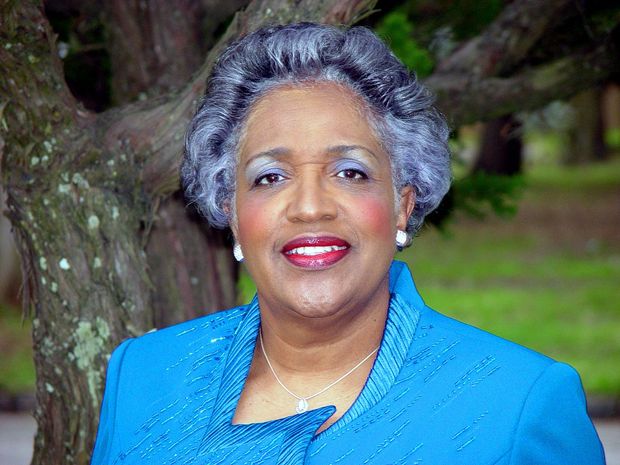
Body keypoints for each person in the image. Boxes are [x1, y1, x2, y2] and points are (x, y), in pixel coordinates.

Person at [91, 23, 605, 464]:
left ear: (404, 203)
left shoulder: (519, 404)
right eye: (270, 177)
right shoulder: (142, 377)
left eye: (351, 172)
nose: (310, 207)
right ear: (231, 212)